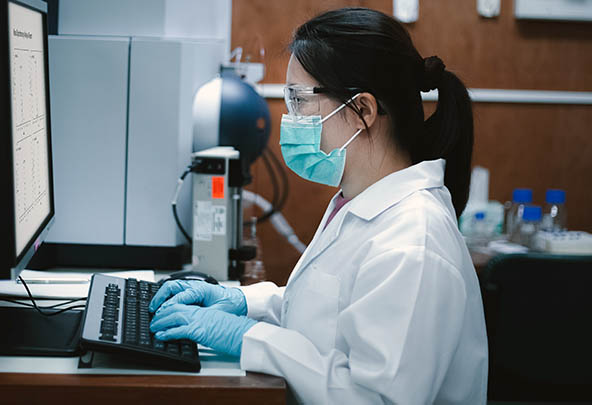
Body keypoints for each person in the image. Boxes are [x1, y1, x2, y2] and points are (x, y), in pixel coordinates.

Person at [148, 7, 488, 404]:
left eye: (299, 100)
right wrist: (244, 304)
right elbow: (326, 316)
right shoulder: (359, 204)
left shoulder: (413, 243)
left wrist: (248, 338)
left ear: (363, 110)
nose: (290, 118)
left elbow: (374, 398)